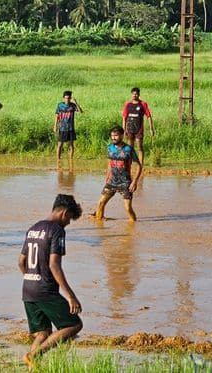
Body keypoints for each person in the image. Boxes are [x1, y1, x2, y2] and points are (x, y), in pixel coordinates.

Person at [19, 194, 83, 369]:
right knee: (74, 324)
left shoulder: (33, 228)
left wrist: (32, 279)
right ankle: (33, 355)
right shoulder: (57, 230)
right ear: (64, 212)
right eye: (70, 218)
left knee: (43, 333)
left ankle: (32, 367)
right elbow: (54, 265)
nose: (69, 222)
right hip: (45, 291)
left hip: (28, 289)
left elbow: (21, 262)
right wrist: (70, 296)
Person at [94, 127, 143, 222]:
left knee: (128, 208)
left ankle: (133, 225)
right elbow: (109, 163)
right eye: (112, 136)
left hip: (125, 183)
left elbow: (139, 166)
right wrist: (107, 177)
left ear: (122, 135)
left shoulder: (128, 149)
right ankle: (99, 224)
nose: (113, 138)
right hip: (111, 181)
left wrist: (135, 182)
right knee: (100, 203)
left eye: (116, 136)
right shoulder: (110, 148)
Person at [121, 87, 155, 165]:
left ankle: (141, 164)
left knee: (139, 147)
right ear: (131, 95)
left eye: (136, 94)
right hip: (129, 129)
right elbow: (124, 117)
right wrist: (123, 129)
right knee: (130, 148)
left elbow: (149, 116)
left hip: (139, 129)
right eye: (133, 94)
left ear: (139, 94)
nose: (134, 95)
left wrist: (151, 128)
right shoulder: (127, 104)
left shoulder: (143, 104)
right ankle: (129, 163)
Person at [54, 91, 82, 168]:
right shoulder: (60, 105)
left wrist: (76, 102)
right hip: (62, 128)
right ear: (63, 98)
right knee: (60, 145)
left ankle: (70, 160)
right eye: (66, 98)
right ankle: (58, 160)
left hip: (70, 128)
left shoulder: (73, 105)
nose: (67, 100)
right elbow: (57, 116)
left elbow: (80, 111)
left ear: (70, 98)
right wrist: (55, 125)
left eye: (69, 98)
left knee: (71, 145)